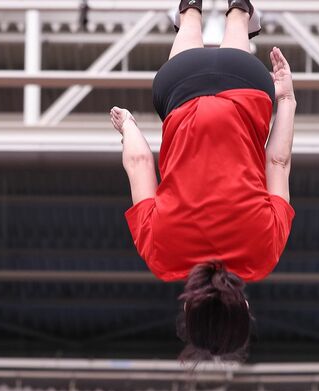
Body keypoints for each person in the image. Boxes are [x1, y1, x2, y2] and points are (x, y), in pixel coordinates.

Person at [109, 0, 296, 361]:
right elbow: (137, 162)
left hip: (246, 82)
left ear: (242, 303)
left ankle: (238, 12)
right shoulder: (161, 257)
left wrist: (285, 97)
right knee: (187, 34)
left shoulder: (264, 256)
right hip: (182, 85)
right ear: (187, 308)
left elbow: (279, 161)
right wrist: (127, 125)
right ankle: (189, 11)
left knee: (239, 26)